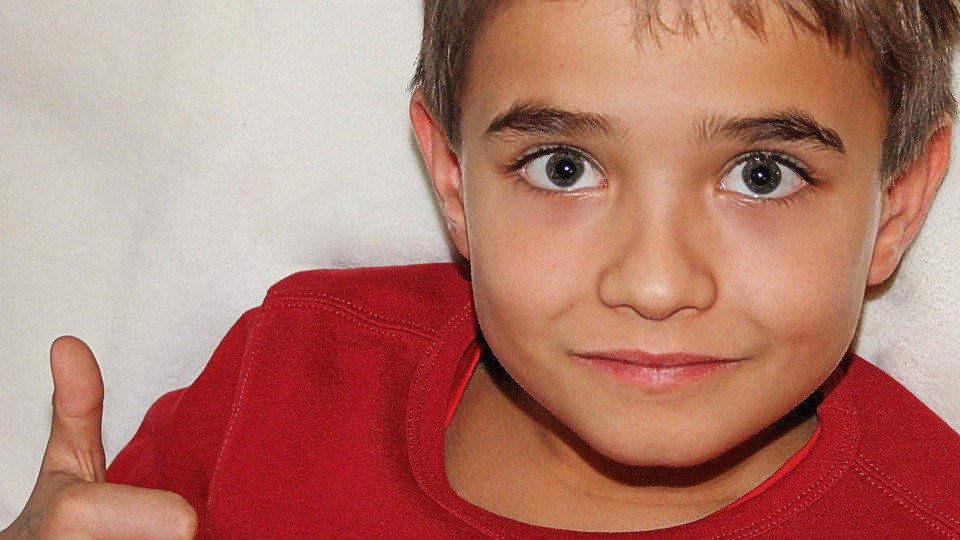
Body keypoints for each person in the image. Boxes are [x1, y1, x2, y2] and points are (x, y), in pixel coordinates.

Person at [4, 0, 960, 537]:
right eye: (564, 168)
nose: (656, 285)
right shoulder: (287, 382)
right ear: (453, 181)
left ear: (898, 205)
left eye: (762, 175)